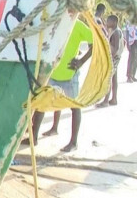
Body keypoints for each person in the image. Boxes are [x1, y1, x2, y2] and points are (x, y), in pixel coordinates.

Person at [23, 19, 93, 152]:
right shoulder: (54, 23)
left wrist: (81, 61)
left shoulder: (77, 25)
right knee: (41, 103)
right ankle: (35, 136)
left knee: (74, 107)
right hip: (52, 72)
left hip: (69, 75)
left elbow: (94, 42)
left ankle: (73, 142)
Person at [97, 15, 124, 107]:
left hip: (114, 58)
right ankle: (114, 99)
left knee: (108, 78)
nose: (107, 23)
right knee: (113, 78)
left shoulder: (116, 32)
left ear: (114, 23)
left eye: (109, 21)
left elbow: (116, 48)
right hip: (116, 57)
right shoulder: (115, 31)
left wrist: (109, 58)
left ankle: (105, 101)